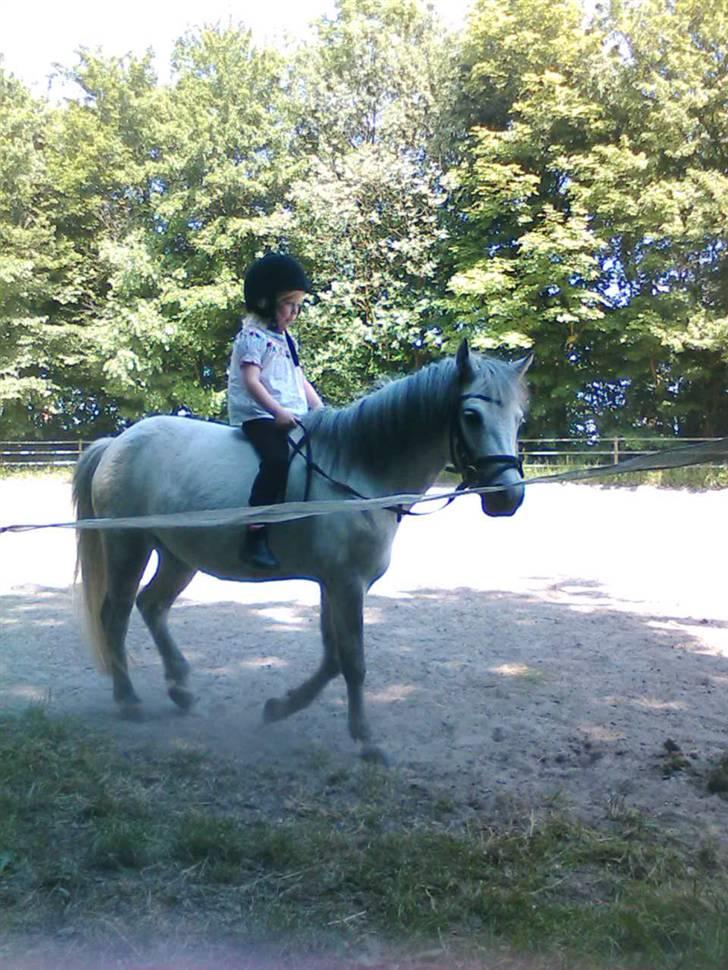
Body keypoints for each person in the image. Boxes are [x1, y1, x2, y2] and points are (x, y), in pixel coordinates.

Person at [228, 253, 323, 569]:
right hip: (259, 415)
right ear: (265, 302)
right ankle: (254, 533)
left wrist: (320, 409)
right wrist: (278, 412)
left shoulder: (285, 338)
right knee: (276, 460)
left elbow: (299, 378)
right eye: (288, 304)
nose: (295, 312)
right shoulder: (252, 336)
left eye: (298, 305)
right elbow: (251, 381)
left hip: (291, 412)